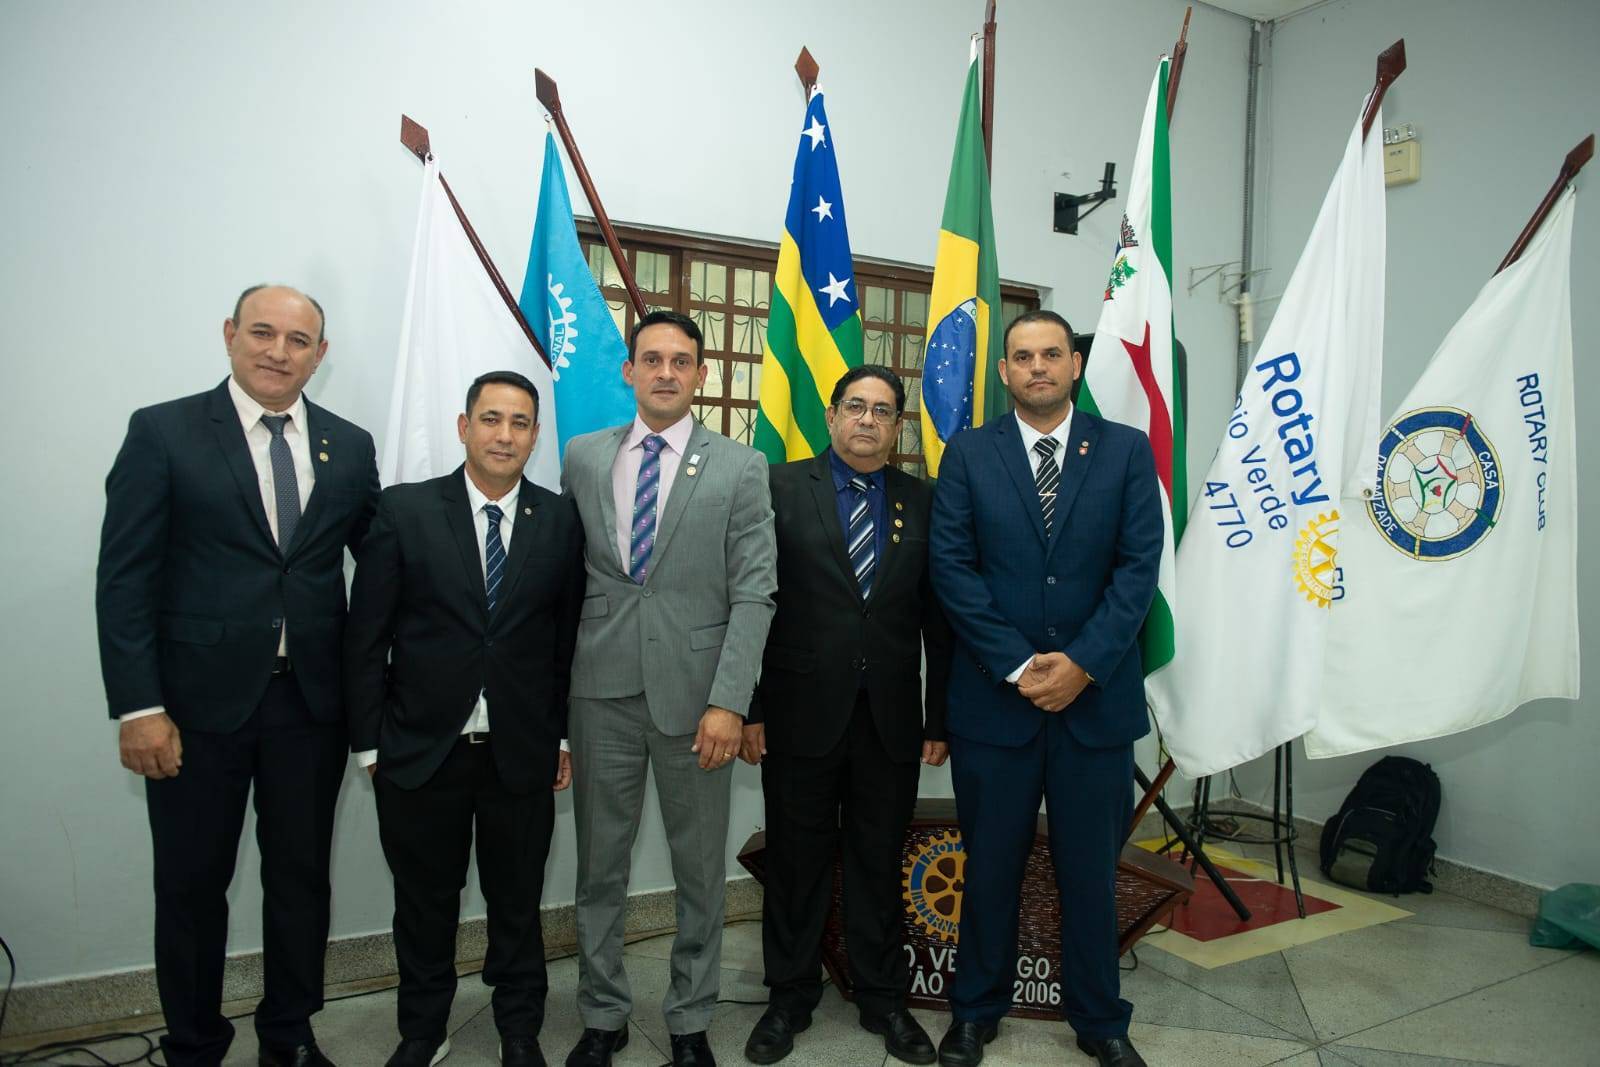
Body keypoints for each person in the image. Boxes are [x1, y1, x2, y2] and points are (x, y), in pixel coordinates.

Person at [96, 285, 379, 1067]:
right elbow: (124, 579)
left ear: (320, 356)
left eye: (298, 340)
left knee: (300, 884)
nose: (278, 352)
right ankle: (194, 1043)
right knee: (191, 889)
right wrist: (139, 705)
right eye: (263, 332)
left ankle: (288, 1033)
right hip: (192, 710)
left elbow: (383, 553)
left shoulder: (348, 446)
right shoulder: (164, 432)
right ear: (229, 335)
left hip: (311, 706)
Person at [928, 311, 1162, 1067]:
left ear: (1075, 364)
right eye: (1022, 356)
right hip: (996, 705)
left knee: (1090, 872)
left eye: (1051, 354)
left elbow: (1138, 570)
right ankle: (974, 1012)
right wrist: (1021, 664)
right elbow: (952, 569)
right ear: (1003, 371)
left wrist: (1083, 663)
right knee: (989, 866)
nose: (1038, 367)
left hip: (1096, 705)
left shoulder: (1126, 452)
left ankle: (1100, 1019)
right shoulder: (968, 452)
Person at [344, 371, 584, 1067]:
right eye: (490, 419)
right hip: (420, 751)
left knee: (518, 901)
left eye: (519, 422)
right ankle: (422, 1028)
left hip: (520, 750)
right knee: (424, 903)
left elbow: (565, 639)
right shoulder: (405, 510)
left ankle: (519, 1025)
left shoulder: (560, 519)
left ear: (535, 435)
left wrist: (562, 733)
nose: (504, 434)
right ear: (464, 426)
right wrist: (368, 745)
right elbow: (367, 637)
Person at [560, 310, 777, 1067]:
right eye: (651, 359)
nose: (665, 372)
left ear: (700, 375)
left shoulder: (740, 466)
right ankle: (603, 1012)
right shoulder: (582, 457)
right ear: (628, 370)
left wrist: (730, 701)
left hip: (699, 702)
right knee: (599, 868)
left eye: (681, 360)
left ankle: (688, 1019)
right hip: (600, 691)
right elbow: (564, 581)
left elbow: (755, 593)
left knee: (697, 871)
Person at [740, 365, 952, 1066]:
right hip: (797, 713)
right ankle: (789, 997)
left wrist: (937, 717)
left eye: (884, 410)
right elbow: (751, 602)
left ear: (898, 427)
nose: (868, 419)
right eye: (855, 406)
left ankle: (884, 999)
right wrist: (750, 707)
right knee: (796, 863)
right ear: (831, 416)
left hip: (888, 718)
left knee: (877, 860)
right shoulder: (777, 487)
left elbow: (937, 619)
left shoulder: (923, 500)